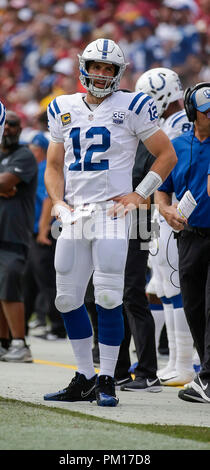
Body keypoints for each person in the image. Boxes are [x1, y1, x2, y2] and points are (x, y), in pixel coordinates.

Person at [43, 38, 177, 407]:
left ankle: (107, 378)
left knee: (107, 295)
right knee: (67, 298)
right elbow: (54, 166)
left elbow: (166, 155)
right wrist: (57, 202)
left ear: (119, 72)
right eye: (95, 66)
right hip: (76, 214)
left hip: (111, 213)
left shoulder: (133, 105)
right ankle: (84, 376)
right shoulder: (62, 106)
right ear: (82, 66)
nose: (100, 74)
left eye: (108, 68)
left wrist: (139, 194)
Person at [134, 67, 196, 387]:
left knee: (173, 283)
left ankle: (184, 362)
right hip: (164, 208)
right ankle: (175, 360)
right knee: (164, 285)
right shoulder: (170, 123)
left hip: (176, 210)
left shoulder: (178, 124)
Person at [155, 82, 210, 403]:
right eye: (208, 112)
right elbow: (163, 188)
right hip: (188, 236)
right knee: (193, 305)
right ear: (193, 113)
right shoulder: (179, 145)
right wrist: (166, 209)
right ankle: (205, 369)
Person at [0, 111, 37, 362]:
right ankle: (3, 343)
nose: (9, 129)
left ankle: (20, 344)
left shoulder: (24, 155)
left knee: (10, 287)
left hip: (13, 234)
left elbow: (4, 183)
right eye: (6, 124)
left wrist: (4, 187)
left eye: (14, 125)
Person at [24, 132, 66, 340]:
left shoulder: (43, 169)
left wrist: (42, 229)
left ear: (39, 149)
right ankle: (24, 326)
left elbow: (49, 199)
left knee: (47, 281)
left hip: (46, 230)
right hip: (41, 230)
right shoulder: (41, 168)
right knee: (31, 280)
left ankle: (57, 326)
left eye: (32, 149)